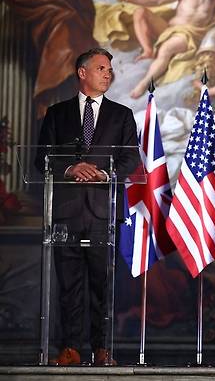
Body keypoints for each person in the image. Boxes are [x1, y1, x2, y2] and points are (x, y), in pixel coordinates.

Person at [36, 48, 139, 365]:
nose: (108, 73)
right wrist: (70, 168)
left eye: (110, 69)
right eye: (101, 68)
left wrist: (103, 173)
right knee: (69, 285)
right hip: (66, 213)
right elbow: (41, 159)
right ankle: (70, 348)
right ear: (82, 73)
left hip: (102, 213)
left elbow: (130, 160)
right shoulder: (57, 114)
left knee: (102, 286)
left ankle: (101, 347)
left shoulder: (122, 115)